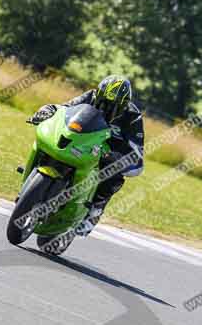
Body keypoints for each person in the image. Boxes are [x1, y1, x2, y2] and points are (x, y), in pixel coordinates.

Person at [27, 75, 144, 236]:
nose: (106, 109)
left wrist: (120, 159)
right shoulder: (90, 96)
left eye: (112, 106)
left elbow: (138, 156)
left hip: (108, 151)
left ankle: (94, 211)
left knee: (114, 175)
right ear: (98, 94)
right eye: (103, 102)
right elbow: (64, 109)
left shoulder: (133, 117)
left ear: (123, 106)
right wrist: (49, 110)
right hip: (83, 141)